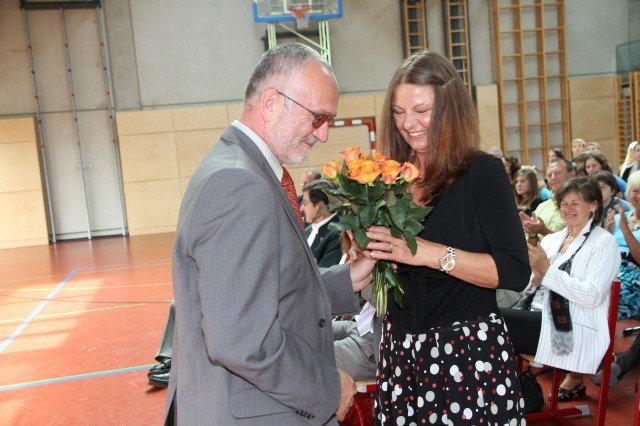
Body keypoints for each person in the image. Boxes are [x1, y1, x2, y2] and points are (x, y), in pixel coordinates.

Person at [165, 43, 377, 425]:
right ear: (271, 103)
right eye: (318, 117)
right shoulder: (240, 184)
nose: (323, 134)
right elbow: (243, 340)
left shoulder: (241, 168)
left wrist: (348, 280)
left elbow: (268, 289)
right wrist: (329, 388)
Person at [365, 51, 530, 425]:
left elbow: (515, 271)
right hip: (401, 353)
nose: (408, 123)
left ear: (450, 108)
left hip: (465, 354)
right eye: (398, 112)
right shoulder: (389, 179)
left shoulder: (482, 173)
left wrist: (432, 254)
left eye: (421, 110)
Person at [502, 176, 621, 401]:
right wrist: (535, 275)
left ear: (593, 205)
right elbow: (533, 284)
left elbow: (591, 295)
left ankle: (503, 394)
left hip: (571, 326)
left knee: (493, 321)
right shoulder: (552, 239)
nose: (568, 208)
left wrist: (546, 271)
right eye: (564, 203)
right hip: (535, 312)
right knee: (483, 312)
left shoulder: (604, 242)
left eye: (575, 203)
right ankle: (505, 392)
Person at [605, 171, 640, 320]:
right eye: (635, 190)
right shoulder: (619, 217)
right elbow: (604, 252)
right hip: (610, 269)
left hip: (633, 276)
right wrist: (608, 233)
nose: (639, 196)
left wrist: (625, 230)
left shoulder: (622, 222)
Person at [520, 158, 575, 245]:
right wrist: (532, 234)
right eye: (549, 175)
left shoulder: (580, 205)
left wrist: (544, 231)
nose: (553, 177)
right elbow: (530, 245)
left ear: (572, 174)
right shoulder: (541, 207)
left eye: (558, 173)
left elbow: (576, 242)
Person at [302, 179, 343, 267]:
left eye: (305, 203)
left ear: (319, 206)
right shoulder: (308, 229)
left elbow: (326, 272)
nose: (302, 208)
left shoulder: (338, 233)